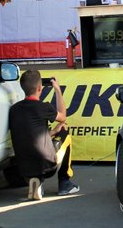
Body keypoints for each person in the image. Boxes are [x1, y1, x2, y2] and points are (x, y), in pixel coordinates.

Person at [8, 70, 78, 200]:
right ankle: (65, 183)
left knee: (33, 145)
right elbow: (63, 117)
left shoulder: (14, 109)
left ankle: (37, 183)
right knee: (64, 131)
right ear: (40, 88)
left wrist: (53, 132)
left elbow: (30, 133)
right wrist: (57, 90)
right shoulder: (43, 107)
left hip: (22, 167)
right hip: (47, 166)